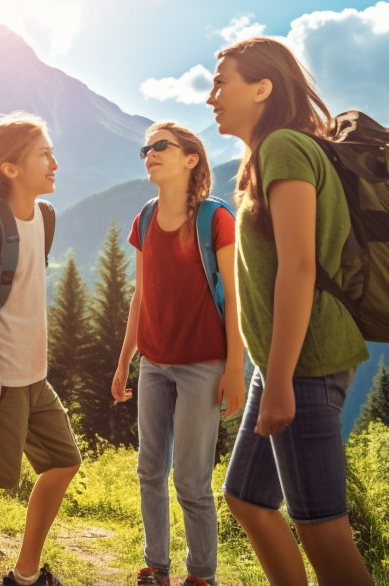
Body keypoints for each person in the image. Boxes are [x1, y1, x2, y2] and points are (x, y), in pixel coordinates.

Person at [207, 37, 374, 586]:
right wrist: (268, 374)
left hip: (304, 366)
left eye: (221, 82)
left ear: (262, 87)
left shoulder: (283, 147)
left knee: (324, 533)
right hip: (281, 365)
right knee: (248, 499)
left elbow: (300, 265)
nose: (212, 97)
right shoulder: (273, 151)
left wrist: (279, 380)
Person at [0, 113, 82, 586]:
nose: (55, 164)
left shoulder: (42, 219)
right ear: (9, 168)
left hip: (33, 376)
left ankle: (24, 576)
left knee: (64, 461)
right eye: (44, 154)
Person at [111, 122, 245, 586]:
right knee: (149, 468)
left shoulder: (215, 219)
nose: (150, 153)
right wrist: (126, 360)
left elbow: (237, 299)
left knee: (190, 479)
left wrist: (235, 368)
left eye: (160, 145)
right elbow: (140, 296)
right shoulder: (145, 218)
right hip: (153, 363)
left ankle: (202, 576)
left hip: (203, 366)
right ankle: (157, 567)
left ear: (191, 159)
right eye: (146, 148)